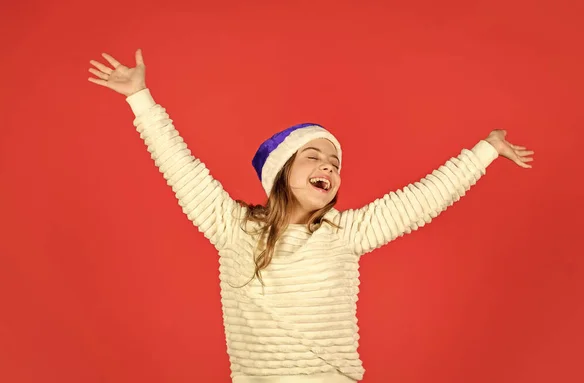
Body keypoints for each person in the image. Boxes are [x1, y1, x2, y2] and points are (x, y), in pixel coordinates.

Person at [88, 49, 534, 383]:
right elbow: (180, 166)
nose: (328, 167)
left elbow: (422, 199)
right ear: (281, 171)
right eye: (314, 157)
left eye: (335, 163)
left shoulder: (347, 233)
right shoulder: (231, 227)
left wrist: (485, 150)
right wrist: (140, 98)